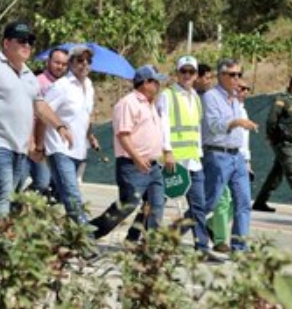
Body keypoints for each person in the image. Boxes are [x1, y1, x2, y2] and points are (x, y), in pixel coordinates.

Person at [0, 21, 74, 216]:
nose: (27, 45)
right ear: (6, 43)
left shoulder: (29, 74)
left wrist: (60, 127)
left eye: (30, 41)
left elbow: (40, 106)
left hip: (19, 148)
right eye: (21, 40)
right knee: (4, 196)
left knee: (4, 195)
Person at [91, 66, 169, 242]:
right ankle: (89, 233)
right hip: (133, 165)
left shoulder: (151, 104)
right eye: (155, 81)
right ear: (145, 83)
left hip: (153, 165)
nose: (158, 85)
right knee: (126, 206)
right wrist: (137, 158)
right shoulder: (128, 103)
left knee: (156, 205)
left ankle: (151, 245)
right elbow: (123, 135)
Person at [156, 55, 219, 259]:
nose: (187, 75)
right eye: (183, 71)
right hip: (173, 160)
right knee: (157, 202)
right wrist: (167, 152)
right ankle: (139, 238)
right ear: (177, 73)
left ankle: (202, 247)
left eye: (191, 72)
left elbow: (196, 129)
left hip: (193, 160)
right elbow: (163, 125)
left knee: (198, 206)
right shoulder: (168, 95)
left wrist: (199, 153)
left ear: (196, 75)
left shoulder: (196, 99)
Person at [202, 58, 259, 252]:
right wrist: (237, 122)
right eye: (232, 75)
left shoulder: (235, 99)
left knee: (243, 203)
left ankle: (239, 247)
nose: (237, 79)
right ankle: (178, 234)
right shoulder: (211, 97)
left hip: (237, 157)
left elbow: (240, 136)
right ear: (221, 76)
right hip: (218, 156)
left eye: (239, 75)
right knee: (210, 202)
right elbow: (215, 126)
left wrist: (246, 158)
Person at [43, 45, 98, 224]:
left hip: (79, 150)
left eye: (88, 61)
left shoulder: (89, 86)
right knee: (73, 196)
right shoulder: (61, 86)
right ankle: (87, 242)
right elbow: (42, 112)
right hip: (59, 148)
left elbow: (85, 115)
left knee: (58, 194)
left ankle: (29, 214)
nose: (84, 64)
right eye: (80, 60)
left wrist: (90, 135)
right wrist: (37, 144)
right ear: (71, 62)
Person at [253, 73, 292, 217]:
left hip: (290, 142)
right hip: (282, 143)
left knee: (276, 174)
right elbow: (271, 120)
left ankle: (260, 202)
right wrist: (272, 137)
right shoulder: (282, 99)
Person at [29, 47, 70, 197]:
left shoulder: (67, 85)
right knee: (41, 181)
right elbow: (34, 115)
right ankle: (16, 205)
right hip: (34, 141)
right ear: (48, 62)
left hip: (54, 143)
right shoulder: (38, 82)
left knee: (54, 184)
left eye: (64, 64)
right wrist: (34, 142)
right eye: (57, 62)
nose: (60, 67)